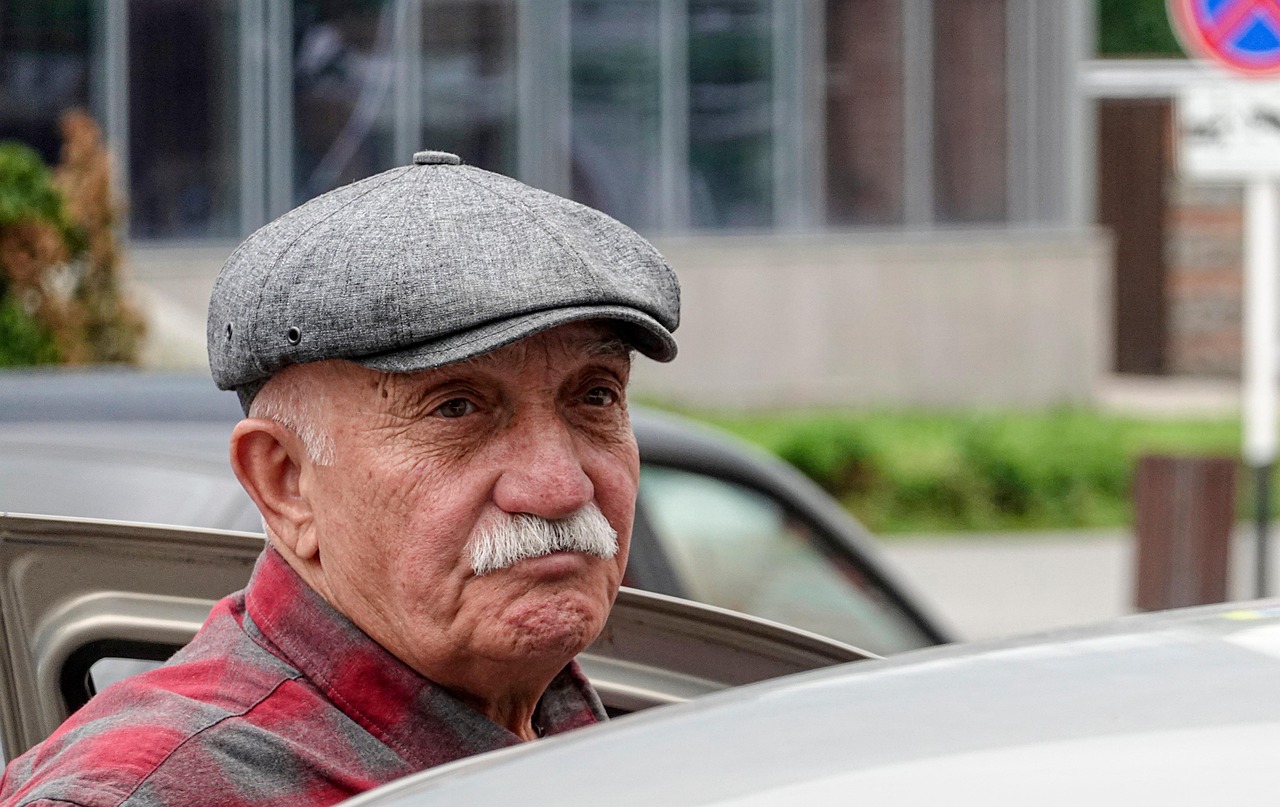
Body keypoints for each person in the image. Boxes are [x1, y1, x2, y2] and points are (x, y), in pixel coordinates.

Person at [0, 150, 680, 806]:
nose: (560, 488)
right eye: (456, 408)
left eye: (595, 396)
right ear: (286, 483)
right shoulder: (140, 795)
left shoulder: (608, 737)